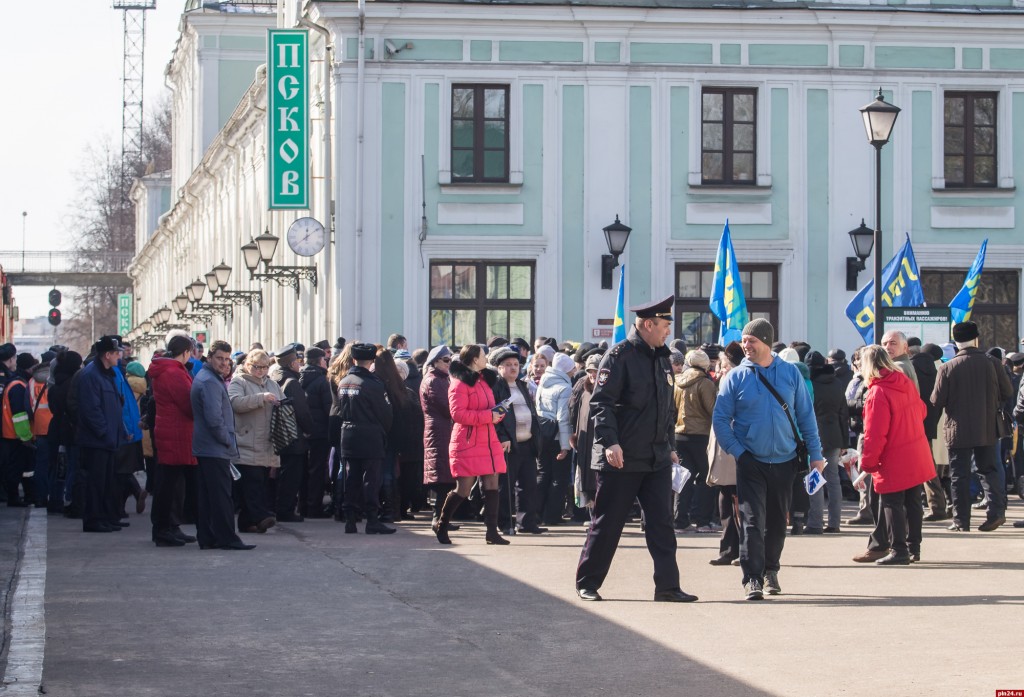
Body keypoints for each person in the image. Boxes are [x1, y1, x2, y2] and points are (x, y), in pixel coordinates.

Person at [575, 295, 698, 603]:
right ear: (647, 324)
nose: (668, 331)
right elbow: (601, 404)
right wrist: (610, 442)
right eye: (665, 325)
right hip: (622, 458)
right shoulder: (619, 356)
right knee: (608, 523)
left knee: (661, 524)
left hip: (655, 457)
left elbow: (666, 409)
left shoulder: (662, 358)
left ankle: (667, 586)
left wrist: (669, 446)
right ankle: (587, 582)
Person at [713, 319, 824, 601]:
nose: (745, 346)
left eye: (751, 341)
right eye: (744, 341)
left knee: (777, 521)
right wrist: (738, 452)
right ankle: (752, 578)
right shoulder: (735, 377)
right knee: (751, 520)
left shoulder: (789, 374)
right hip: (751, 460)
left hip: (786, 460)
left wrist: (816, 455)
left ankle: (770, 570)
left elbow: (806, 416)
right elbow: (720, 420)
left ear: (765, 342)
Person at [855, 345, 936, 564]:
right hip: (915, 450)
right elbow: (922, 410)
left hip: (894, 454)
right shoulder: (905, 383)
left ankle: (899, 550)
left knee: (891, 502)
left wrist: (868, 463)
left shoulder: (876, 392)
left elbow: (874, 433)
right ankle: (913, 548)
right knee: (913, 501)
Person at [931, 321, 1013, 532]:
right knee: (989, 470)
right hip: (987, 426)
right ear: (976, 338)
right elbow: (1007, 392)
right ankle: (996, 513)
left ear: (956, 342)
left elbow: (936, 400)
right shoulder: (993, 363)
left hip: (957, 429)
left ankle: (961, 520)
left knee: (959, 475)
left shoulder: (947, 367)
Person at [433, 344, 509, 546]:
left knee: (492, 484)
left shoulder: (484, 380)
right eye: (484, 355)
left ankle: (492, 532)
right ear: (475, 359)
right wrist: (489, 416)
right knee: (463, 489)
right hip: (467, 441)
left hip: (488, 439)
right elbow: (458, 414)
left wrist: (498, 413)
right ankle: (442, 524)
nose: (487, 358)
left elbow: (488, 410)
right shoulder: (459, 384)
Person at [191, 340, 253, 551]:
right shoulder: (209, 381)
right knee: (220, 497)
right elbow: (213, 419)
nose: (224, 363)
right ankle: (227, 538)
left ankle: (209, 537)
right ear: (209, 358)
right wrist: (227, 440)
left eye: (227, 359)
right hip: (214, 447)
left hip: (208, 446)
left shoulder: (209, 378)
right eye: (219, 358)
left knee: (209, 497)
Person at [337, 342, 396, 535]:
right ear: (371, 361)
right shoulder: (374, 384)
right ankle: (372, 520)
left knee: (350, 478)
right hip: (370, 435)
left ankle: (350, 520)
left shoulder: (344, 381)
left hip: (348, 434)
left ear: (354, 359)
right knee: (371, 479)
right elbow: (386, 413)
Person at [75, 337, 130, 532]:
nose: (120, 356)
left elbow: (114, 406)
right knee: (96, 483)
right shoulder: (91, 375)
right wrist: (105, 433)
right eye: (117, 353)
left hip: (108, 439)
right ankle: (94, 519)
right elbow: (92, 410)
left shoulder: (106, 374)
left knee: (107, 482)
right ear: (107, 355)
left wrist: (120, 431)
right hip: (97, 441)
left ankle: (106, 517)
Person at [149, 333, 199, 547]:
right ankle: (163, 528)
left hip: (173, 431)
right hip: (176, 433)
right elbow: (188, 403)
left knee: (174, 483)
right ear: (186, 352)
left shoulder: (171, 370)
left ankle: (171, 525)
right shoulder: (173, 372)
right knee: (169, 484)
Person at [490, 347, 544, 534]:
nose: (513, 368)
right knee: (505, 486)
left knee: (528, 485)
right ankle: (505, 523)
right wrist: (503, 437)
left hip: (527, 442)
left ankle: (527, 522)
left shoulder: (522, 385)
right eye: (508, 365)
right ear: (499, 368)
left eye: (516, 364)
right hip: (508, 445)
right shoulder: (497, 387)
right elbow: (495, 416)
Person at [228, 349, 282, 535]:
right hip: (246, 441)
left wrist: (282, 405)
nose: (260, 371)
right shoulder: (239, 381)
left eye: (264, 367)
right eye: (256, 367)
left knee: (261, 482)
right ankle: (261, 516)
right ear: (247, 364)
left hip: (267, 442)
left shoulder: (272, 384)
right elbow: (234, 403)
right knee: (252, 484)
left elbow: (282, 403)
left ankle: (248, 523)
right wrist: (261, 398)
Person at [672, 349, 718, 533]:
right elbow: (713, 410)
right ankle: (702, 521)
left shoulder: (677, 382)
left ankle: (680, 521)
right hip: (701, 437)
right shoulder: (705, 383)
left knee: (683, 478)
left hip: (679, 435)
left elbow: (672, 409)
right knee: (706, 479)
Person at [804, 350, 848, 534]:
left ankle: (815, 522)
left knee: (814, 478)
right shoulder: (837, 383)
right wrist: (845, 441)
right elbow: (843, 414)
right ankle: (835, 522)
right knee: (833, 480)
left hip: (814, 436)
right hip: (835, 435)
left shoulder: (810, 385)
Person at [709, 341, 744, 566]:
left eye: (724, 365)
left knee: (740, 504)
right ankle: (728, 549)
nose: (721, 369)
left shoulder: (741, 382)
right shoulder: (724, 382)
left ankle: (744, 550)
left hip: (735, 450)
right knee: (726, 503)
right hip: (722, 452)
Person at [270, 343, 314, 522]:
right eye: (297, 360)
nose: (300, 364)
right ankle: (286, 510)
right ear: (290, 363)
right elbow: (302, 411)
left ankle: (279, 507)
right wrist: (310, 429)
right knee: (292, 475)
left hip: (279, 435)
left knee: (282, 474)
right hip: (293, 436)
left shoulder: (275, 378)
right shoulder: (292, 382)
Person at [420, 345, 459, 531]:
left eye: (450, 360)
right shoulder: (434, 381)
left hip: (443, 430)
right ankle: (438, 519)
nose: (449, 363)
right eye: (446, 360)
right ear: (435, 361)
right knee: (441, 477)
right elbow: (447, 406)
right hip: (439, 431)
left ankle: (443, 518)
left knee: (445, 476)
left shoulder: (442, 379)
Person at [535, 352, 575, 526]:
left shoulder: (543, 383)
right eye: (572, 368)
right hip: (558, 437)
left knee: (543, 474)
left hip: (543, 435)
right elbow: (563, 419)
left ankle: (536, 513)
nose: (574, 371)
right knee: (559, 477)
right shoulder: (565, 388)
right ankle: (552, 515)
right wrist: (565, 446)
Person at [911, 343, 950, 521]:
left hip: (914, 424)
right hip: (933, 425)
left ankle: (927, 506)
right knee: (930, 467)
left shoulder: (911, 369)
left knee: (915, 467)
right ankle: (938, 505)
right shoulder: (939, 371)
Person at [299, 346, 332, 518]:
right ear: (320, 361)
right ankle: (314, 507)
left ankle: (303, 505)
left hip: (303, 431)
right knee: (317, 470)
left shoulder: (299, 376)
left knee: (305, 469)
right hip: (319, 432)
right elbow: (328, 408)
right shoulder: (322, 380)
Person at [2, 353, 37, 506]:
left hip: (10, 434)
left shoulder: (13, 383)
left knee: (15, 468)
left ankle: (15, 497)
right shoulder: (18, 386)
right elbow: (20, 415)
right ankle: (13, 498)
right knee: (15, 468)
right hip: (15, 435)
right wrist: (25, 436)